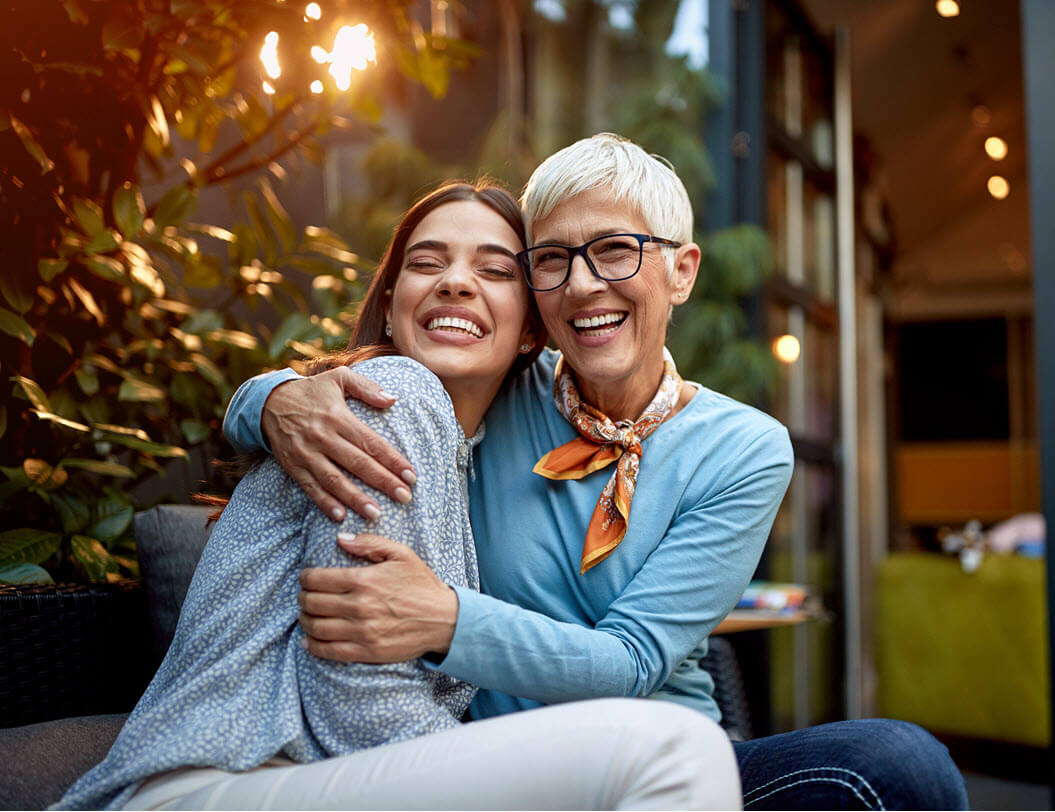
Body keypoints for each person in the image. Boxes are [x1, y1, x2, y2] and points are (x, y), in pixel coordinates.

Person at [225, 135, 969, 810]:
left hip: (669, 761)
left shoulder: (745, 448)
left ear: (680, 271)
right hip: (495, 766)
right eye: (551, 259)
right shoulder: (494, 389)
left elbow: (635, 660)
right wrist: (270, 400)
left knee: (894, 764)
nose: (582, 286)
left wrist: (445, 618)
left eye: (614, 250)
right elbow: (377, 385)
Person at [59, 181, 741, 811]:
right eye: (426, 263)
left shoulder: (469, 451)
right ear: (389, 299)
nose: (454, 283)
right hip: (222, 783)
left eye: (496, 271)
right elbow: (359, 704)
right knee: (676, 752)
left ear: (533, 328)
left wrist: (260, 397)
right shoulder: (396, 396)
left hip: (310, 778)